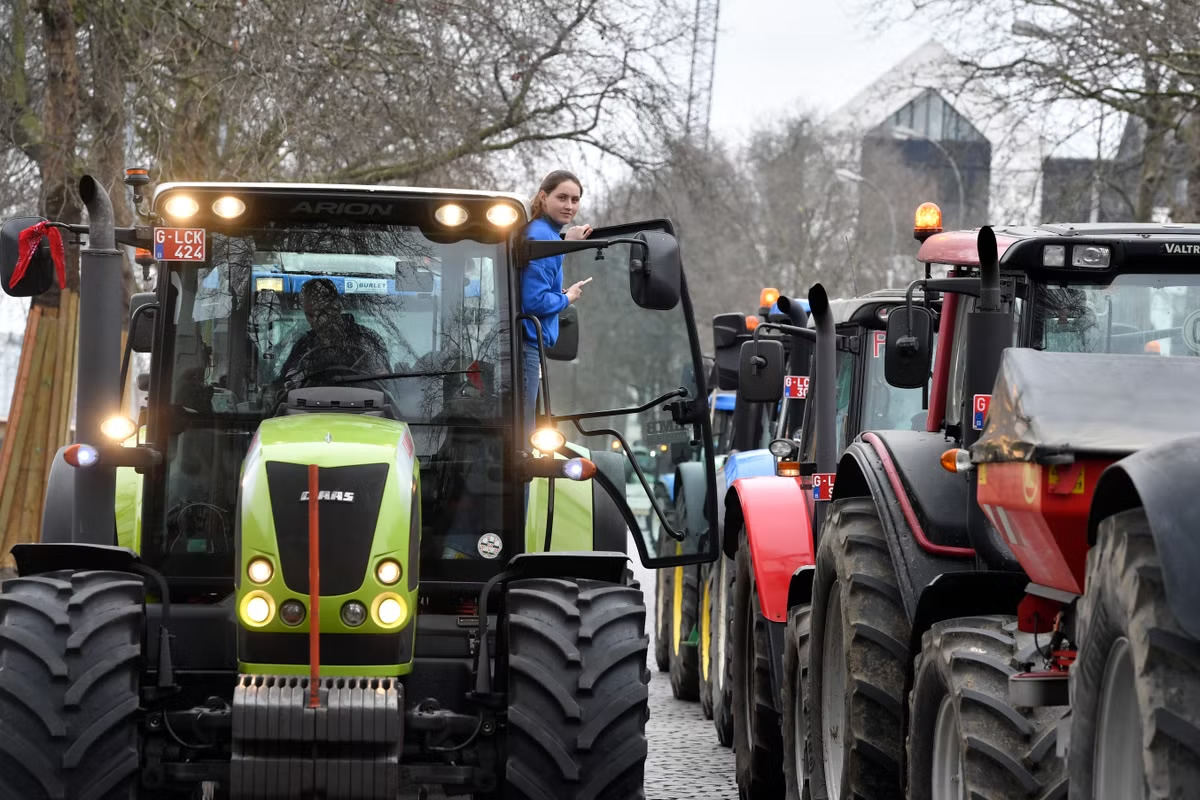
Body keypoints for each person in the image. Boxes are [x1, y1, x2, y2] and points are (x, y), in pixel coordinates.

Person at [520, 170, 593, 447]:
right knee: (524, 440)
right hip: (526, 345)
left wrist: (562, 243)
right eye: (562, 197)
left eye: (575, 200)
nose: (570, 206)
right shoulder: (542, 240)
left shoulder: (542, 235)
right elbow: (532, 302)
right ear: (543, 196)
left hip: (527, 346)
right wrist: (567, 298)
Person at [279, 277, 390, 382]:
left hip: (362, 400)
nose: (317, 320)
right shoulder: (303, 346)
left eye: (323, 311)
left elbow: (383, 381)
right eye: (310, 315)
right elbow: (287, 383)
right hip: (312, 401)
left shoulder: (367, 340)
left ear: (337, 307)